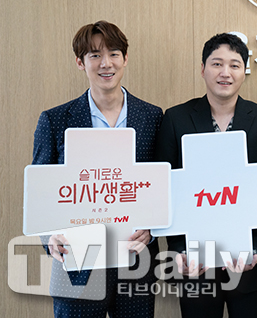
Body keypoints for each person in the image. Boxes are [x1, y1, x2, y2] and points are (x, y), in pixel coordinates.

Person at [32, 20, 162, 318]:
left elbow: (163, 186)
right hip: (76, 267)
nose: (106, 63)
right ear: (80, 62)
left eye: (114, 54)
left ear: (125, 59)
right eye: (95, 55)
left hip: (135, 265)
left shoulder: (152, 117)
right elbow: (40, 192)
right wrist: (49, 237)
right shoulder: (55, 120)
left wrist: (153, 229)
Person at [155, 33, 257, 318]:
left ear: (244, 71)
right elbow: (165, 190)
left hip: (250, 267)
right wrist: (179, 250)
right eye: (217, 64)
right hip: (196, 268)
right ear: (203, 69)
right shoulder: (176, 119)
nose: (225, 72)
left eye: (234, 65)